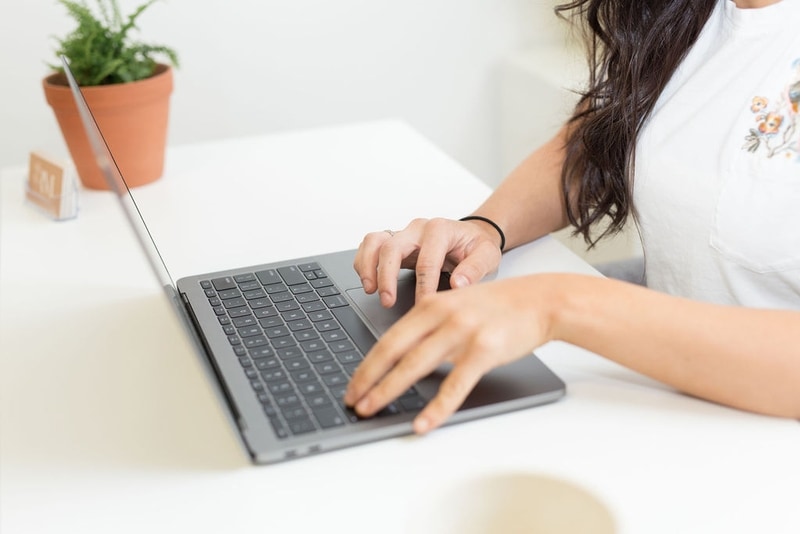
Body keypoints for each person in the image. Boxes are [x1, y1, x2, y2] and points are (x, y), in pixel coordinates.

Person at [343, 0, 800, 434]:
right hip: (667, 394)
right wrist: (485, 228)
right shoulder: (690, 15)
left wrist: (555, 304)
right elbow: (605, 136)